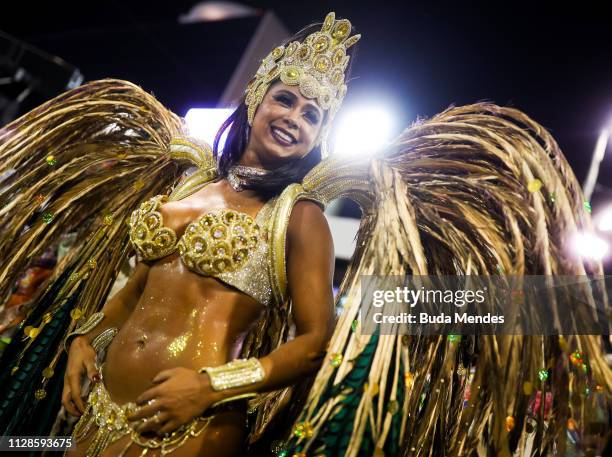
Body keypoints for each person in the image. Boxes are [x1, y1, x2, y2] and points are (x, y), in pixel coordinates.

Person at [0, 11, 610, 457]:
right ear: (256, 101)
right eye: (285, 100)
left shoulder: (300, 217)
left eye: (311, 114)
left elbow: (314, 340)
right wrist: (89, 335)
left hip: (188, 425)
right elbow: (138, 283)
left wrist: (210, 386)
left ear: (319, 136)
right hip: (99, 408)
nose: (294, 118)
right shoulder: (186, 188)